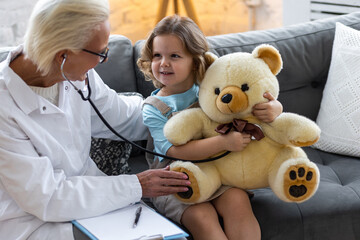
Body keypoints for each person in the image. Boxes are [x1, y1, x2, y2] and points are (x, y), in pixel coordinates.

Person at [0, 1, 191, 239]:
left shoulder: (75, 75)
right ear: (62, 54)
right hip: (34, 222)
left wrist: (194, 111)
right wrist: (136, 185)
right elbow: (47, 198)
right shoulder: (4, 106)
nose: (105, 59)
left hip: (94, 206)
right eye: (101, 52)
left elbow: (124, 116)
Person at [138, 15, 283, 240]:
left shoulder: (215, 88)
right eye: (158, 55)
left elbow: (252, 103)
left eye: (174, 56)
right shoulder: (154, 108)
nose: (163, 63)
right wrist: (223, 142)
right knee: (201, 216)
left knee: (238, 201)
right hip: (175, 179)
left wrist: (275, 108)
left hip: (219, 172)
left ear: (195, 61)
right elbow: (173, 151)